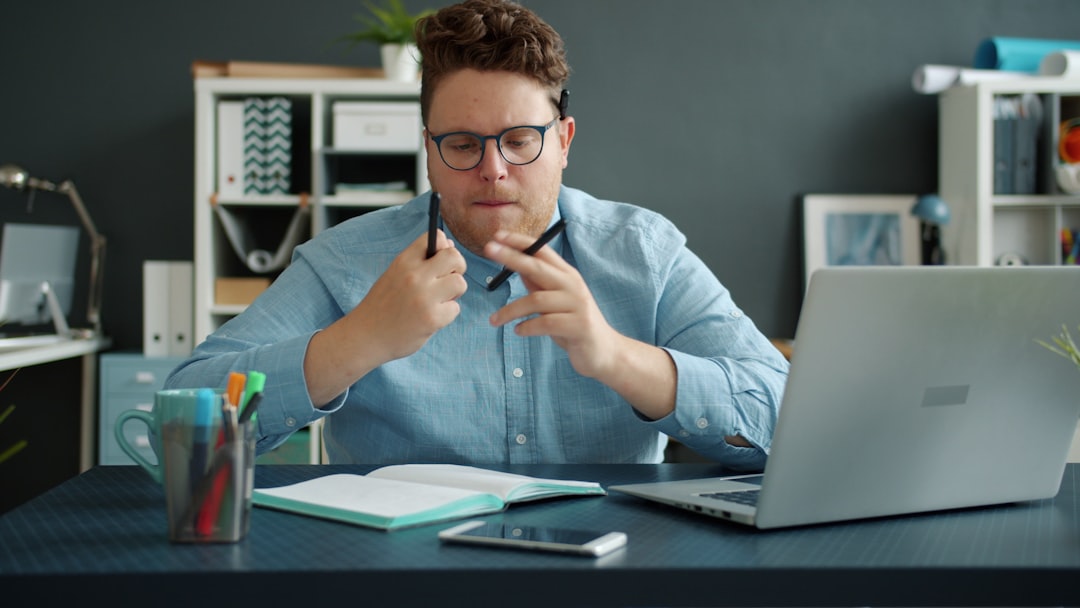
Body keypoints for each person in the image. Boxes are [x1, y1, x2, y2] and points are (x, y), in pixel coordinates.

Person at [165, 0, 788, 470]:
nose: (493, 169)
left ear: (563, 142)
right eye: (463, 144)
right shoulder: (345, 262)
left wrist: (618, 358)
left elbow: (785, 416)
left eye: (520, 140)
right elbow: (182, 417)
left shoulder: (644, 253)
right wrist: (356, 342)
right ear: (430, 153)